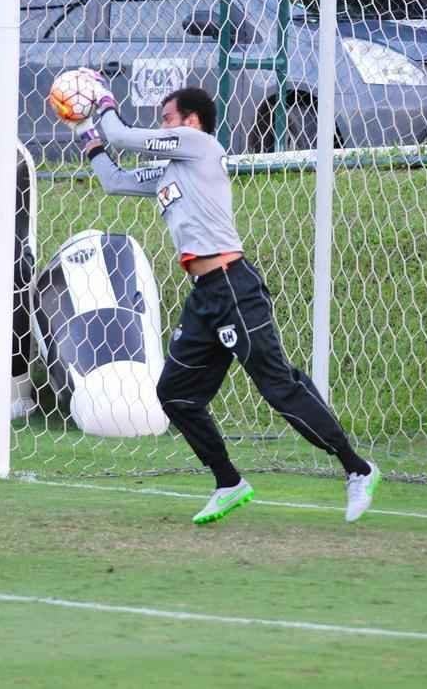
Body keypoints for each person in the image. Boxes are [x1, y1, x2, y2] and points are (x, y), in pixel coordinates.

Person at [71, 72, 379, 524]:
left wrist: (100, 99)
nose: (162, 127)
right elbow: (115, 181)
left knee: (278, 387)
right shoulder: (166, 170)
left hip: (234, 285)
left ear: (191, 122)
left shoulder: (200, 148)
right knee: (175, 394)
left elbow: (121, 135)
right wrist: (85, 134)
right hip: (205, 297)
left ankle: (358, 469)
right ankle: (229, 482)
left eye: (168, 119)